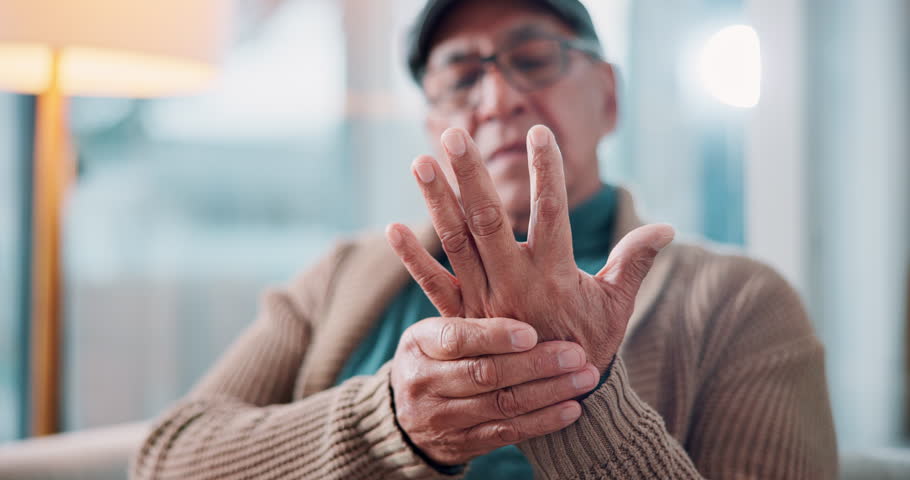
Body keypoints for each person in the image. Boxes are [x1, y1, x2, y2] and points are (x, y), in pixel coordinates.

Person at [132, 0, 837, 478]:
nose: (498, 99)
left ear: (609, 96)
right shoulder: (342, 276)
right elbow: (166, 459)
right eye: (462, 76)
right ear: (431, 125)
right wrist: (391, 426)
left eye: (534, 58)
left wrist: (580, 391)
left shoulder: (739, 303)